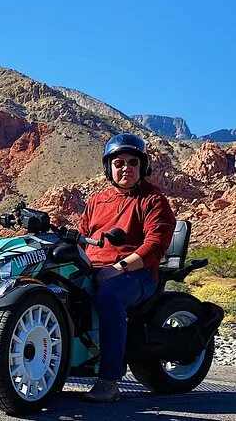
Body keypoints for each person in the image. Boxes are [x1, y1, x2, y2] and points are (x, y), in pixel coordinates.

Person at [78, 133, 175, 402]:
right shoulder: (96, 201)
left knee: (110, 295)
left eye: (133, 162)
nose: (126, 168)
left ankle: (109, 381)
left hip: (137, 273)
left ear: (143, 167)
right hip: (94, 267)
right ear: (108, 167)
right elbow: (81, 235)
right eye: (119, 163)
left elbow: (155, 245)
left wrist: (118, 269)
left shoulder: (153, 200)